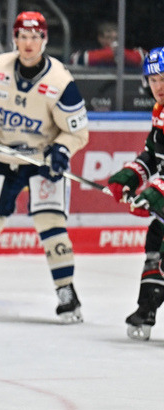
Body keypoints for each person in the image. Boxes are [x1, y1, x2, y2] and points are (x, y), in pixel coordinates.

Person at [0, 11, 90, 322]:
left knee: (51, 224)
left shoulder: (60, 81)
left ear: (45, 40)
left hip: (42, 162)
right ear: (14, 39)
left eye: (35, 37)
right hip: (4, 158)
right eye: (23, 37)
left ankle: (66, 291)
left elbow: (78, 131)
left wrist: (62, 150)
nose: (29, 43)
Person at [106, 47, 164, 340]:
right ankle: (147, 307)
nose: (158, 86)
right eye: (153, 80)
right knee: (156, 240)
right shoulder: (159, 112)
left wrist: (154, 194)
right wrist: (129, 176)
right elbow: (153, 155)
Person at [69, 21, 144, 70]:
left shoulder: (127, 51)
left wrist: (124, 54)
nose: (113, 41)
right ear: (100, 38)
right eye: (108, 37)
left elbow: (144, 58)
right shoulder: (90, 49)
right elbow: (75, 60)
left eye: (116, 38)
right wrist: (109, 54)